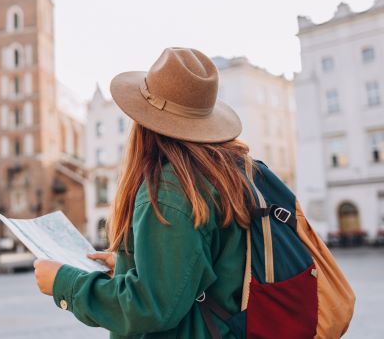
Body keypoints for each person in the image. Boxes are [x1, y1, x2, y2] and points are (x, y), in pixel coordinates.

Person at [34, 47, 258, 338]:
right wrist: (132, 264)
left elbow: (149, 307)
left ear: (144, 122)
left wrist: (63, 282)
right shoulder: (223, 173)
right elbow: (198, 267)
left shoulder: (170, 189)